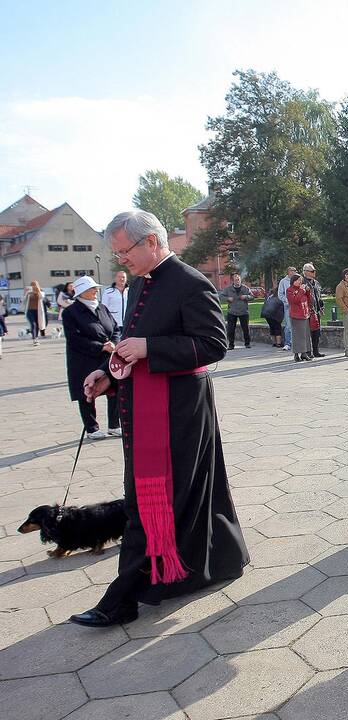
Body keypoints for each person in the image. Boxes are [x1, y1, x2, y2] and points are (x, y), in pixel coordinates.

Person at [73, 209, 247, 627]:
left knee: (153, 501)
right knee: (188, 498)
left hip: (180, 412)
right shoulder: (139, 284)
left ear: (151, 241)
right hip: (148, 406)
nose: (121, 261)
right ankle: (218, 562)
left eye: (125, 251)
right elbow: (131, 344)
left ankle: (123, 598)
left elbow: (213, 345)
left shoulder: (191, 282)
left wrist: (149, 347)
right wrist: (109, 376)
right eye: (116, 254)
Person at [62, 276, 121, 439]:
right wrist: (100, 346)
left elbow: (115, 328)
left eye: (96, 288)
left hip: (107, 356)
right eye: (91, 289)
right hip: (84, 358)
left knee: (114, 388)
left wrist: (114, 344)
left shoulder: (102, 307)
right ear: (81, 292)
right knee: (86, 393)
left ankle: (114, 425)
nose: (96, 291)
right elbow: (74, 338)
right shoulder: (70, 312)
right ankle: (92, 428)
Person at [219, 273, 254, 350]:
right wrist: (228, 298)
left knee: (245, 329)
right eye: (235, 280)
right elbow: (221, 296)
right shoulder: (228, 289)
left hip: (244, 311)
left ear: (240, 280)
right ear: (233, 281)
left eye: (238, 279)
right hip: (232, 312)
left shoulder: (245, 288)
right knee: (231, 329)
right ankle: (231, 345)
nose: (237, 281)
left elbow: (252, 297)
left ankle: (247, 343)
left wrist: (246, 296)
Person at [286, 274, 314, 362]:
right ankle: (296, 354)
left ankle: (304, 353)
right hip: (296, 315)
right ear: (293, 281)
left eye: (300, 280)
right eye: (298, 280)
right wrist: (302, 290)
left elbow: (310, 300)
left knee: (305, 335)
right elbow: (295, 301)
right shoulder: (289, 290)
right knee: (297, 335)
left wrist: (308, 292)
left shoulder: (302, 290)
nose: (300, 282)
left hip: (305, 314)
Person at [302, 263, 325, 357]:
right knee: (307, 333)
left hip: (316, 311)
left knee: (316, 332)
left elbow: (319, 297)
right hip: (306, 312)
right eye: (312, 271)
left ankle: (316, 351)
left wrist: (321, 307)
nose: (314, 272)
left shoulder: (316, 283)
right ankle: (308, 352)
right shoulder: (302, 282)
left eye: (314, 271)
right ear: (305, 272)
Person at [277, 265, 297, 351]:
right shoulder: (283, 281)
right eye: (292, 271)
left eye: (295, 270)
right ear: (288, 272)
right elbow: (280, 294)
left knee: (298, 325)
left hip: (297, 306)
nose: (294, 272)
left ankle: (297, 342)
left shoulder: (298, 279)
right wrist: (287, 301)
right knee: (288, 325)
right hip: (288, 306)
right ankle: (287, 343)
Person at [23, 280, 46, 345]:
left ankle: (36, 338)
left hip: (38, 311)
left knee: (38, 325)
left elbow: (42, 297)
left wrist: (38, 290)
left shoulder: (41, 292)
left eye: (35, 284)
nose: (33, 286)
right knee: (33, 324)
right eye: (32, 284)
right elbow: (23, 300)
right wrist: (26, 293)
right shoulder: (28, 292)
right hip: (29, 311)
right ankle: (34, 339)